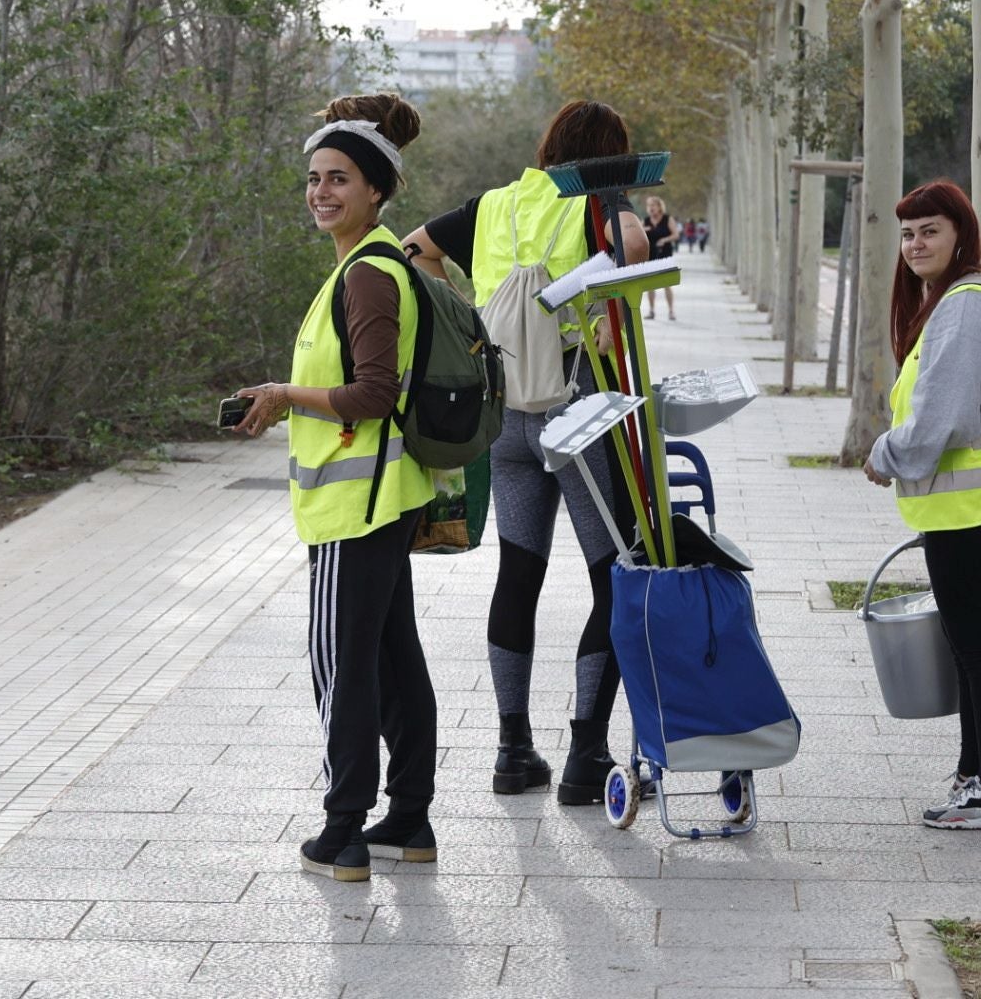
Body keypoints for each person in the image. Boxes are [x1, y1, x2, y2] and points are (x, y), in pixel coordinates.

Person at [402, 100, 649, 805]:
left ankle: (513, 750)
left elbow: (412, 249)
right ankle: (584, 754)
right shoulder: (595, 202)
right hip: (580, 412)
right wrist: (604, 310)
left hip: (505, 414)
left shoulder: (496, 205)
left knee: (519, 574)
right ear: (607, 155)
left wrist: (461, 315)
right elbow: (632, 243)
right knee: (613, 578)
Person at [234, 94, 439, 881]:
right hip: (381, 501)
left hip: (355, 509)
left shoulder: (367, 276)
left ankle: (342, 829)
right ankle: (407, 821)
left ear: (377, 190)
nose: (322, 192)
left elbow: (373, 394)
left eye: (340, 179)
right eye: (314, 179)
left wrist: (285, 394)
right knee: (390, 661)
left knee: (340, 664)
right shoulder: (370, 265)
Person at [862, 179, 981, 831]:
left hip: (980, 515)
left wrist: (885, 453)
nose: (915, 244)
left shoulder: (965, 308)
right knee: (970, 652)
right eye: (908, 233)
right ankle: (976, 778)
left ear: (960, 233)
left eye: (929, 230)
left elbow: (942, 422)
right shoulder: (954, 302)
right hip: (970, 512)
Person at [642, 195, 680, 320]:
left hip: (665, 254)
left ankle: (671, 311)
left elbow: (675, 235)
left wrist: (665, 239)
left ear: (659, 207)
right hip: (650, 255)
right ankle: (651, 311)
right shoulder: (645, 221)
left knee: (666, 283)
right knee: (650, 285)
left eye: (653, 205)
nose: (651, 208)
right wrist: (643, 230)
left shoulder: (667, 219)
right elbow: (640, 237)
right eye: (649, 205)